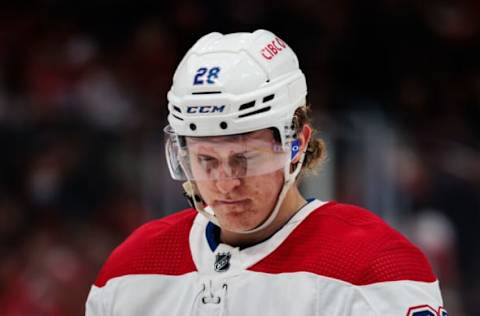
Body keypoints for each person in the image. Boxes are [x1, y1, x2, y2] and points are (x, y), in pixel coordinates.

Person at [85, 30, 446, 316]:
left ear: (296, 144)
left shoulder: (374, 267)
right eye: (206, 160)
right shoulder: (131, 269)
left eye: (245, 158)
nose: (225, 182)